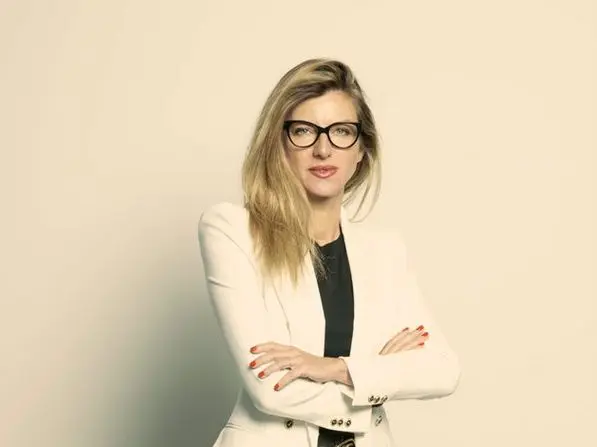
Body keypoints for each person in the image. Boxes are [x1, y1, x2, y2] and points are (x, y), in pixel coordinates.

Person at [197, 58, 460, 447]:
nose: (323, 149)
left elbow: (443, 371)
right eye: (304, 131)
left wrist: (335, 368)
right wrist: (376, 378)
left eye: (341, 132)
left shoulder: (385, 251)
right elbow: (270, 390)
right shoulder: (233, 230)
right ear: (278, 144)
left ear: (361, 150)